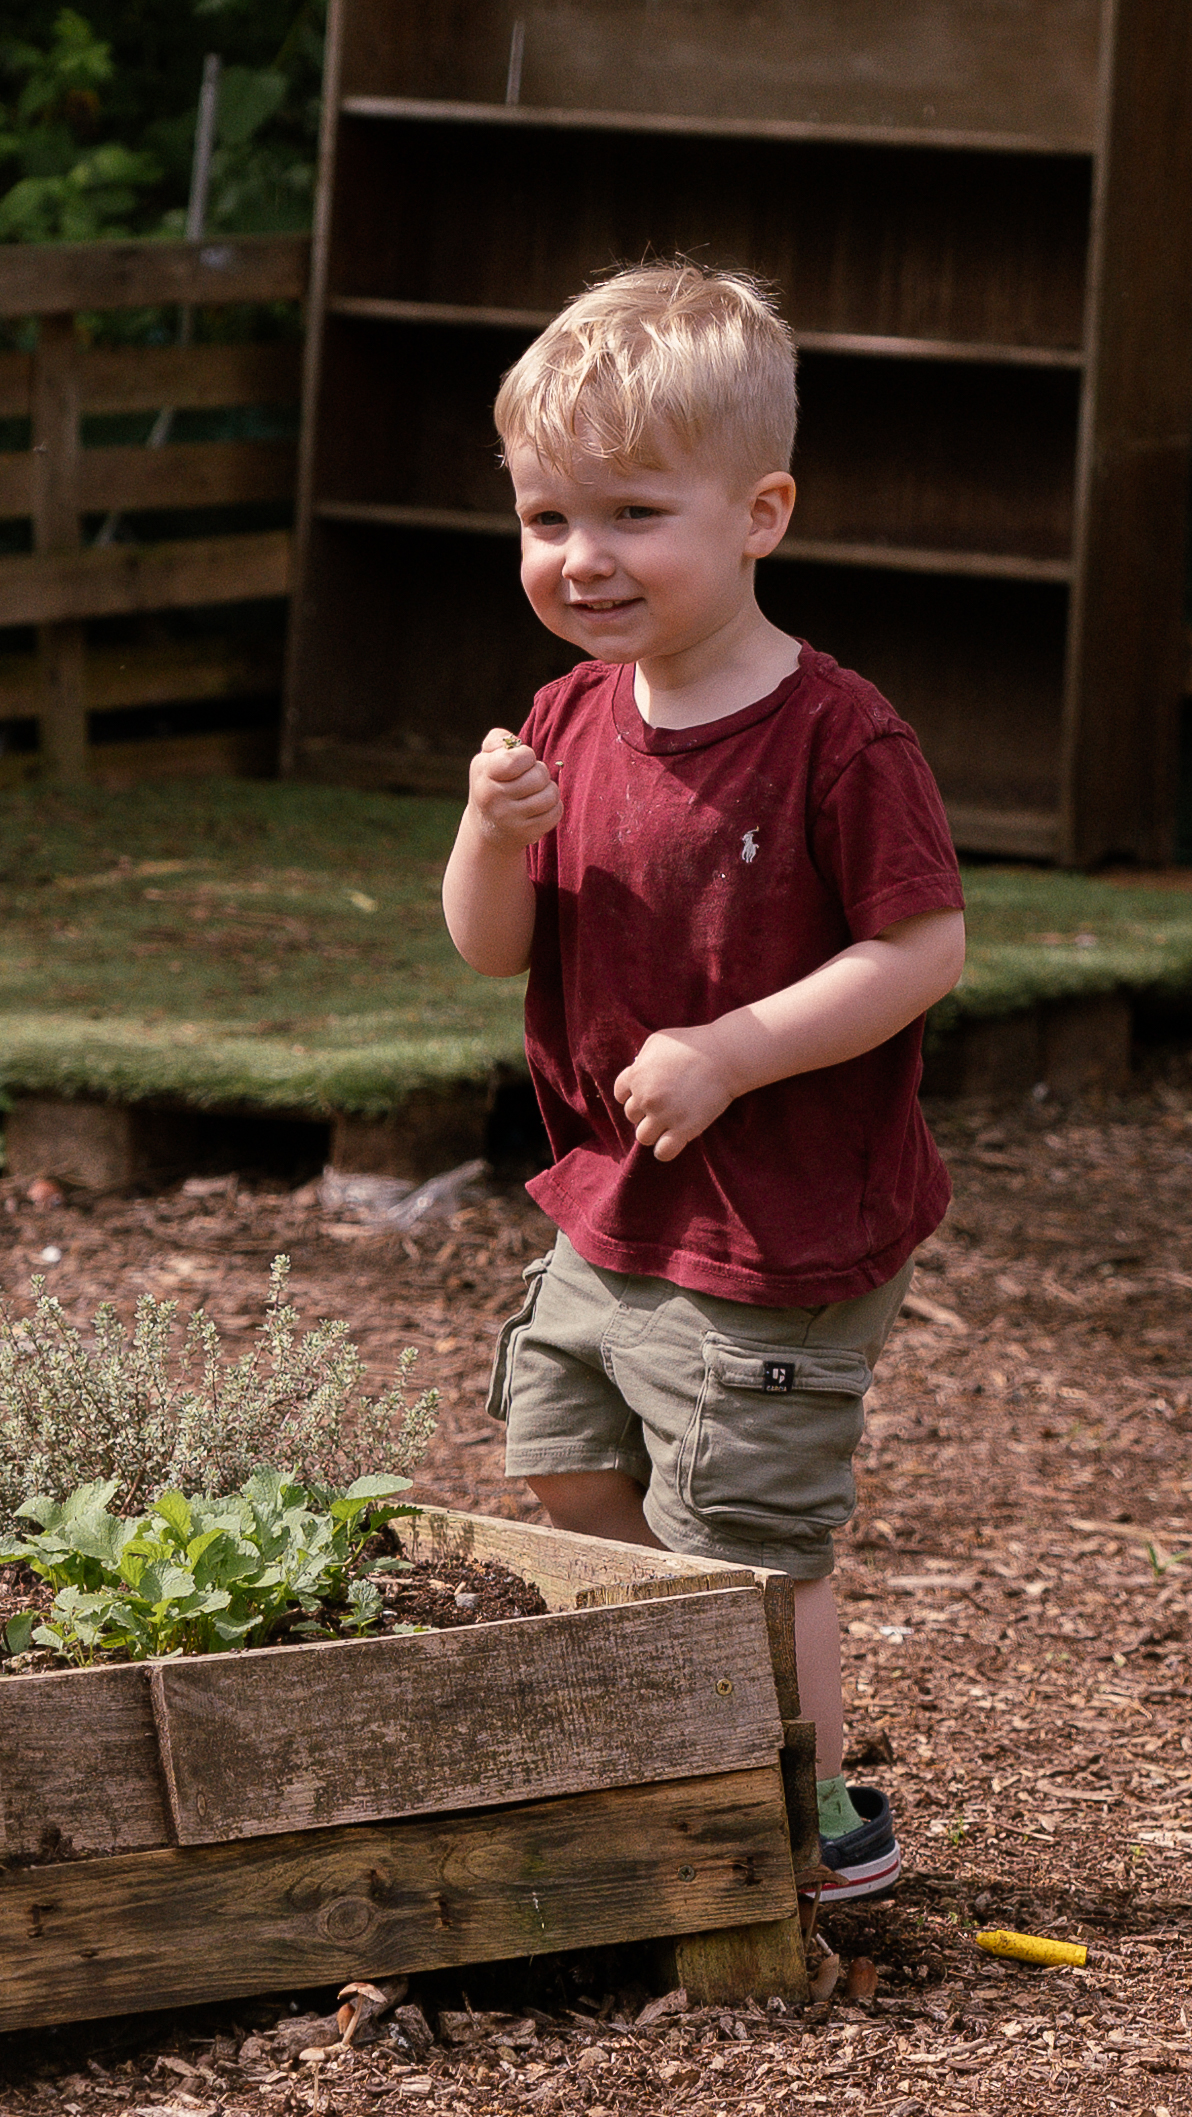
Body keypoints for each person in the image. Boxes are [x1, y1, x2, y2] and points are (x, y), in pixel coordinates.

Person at [442, 261, 965, 1902]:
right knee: (561, 1456)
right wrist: (490, 838)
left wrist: (734, 1048)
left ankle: (804, 1817)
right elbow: (489, 948)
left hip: (780, 1234)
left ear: (760, 516)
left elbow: (922, 949)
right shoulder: (564, 718)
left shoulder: (837, 738)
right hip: (612, 1212)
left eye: (633, 513)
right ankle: (672, 1733)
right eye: (547, 518)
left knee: (748, 1537)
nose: (582, 557)